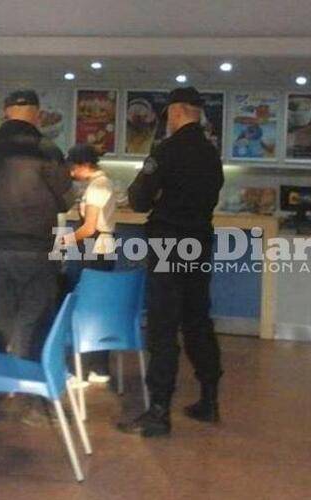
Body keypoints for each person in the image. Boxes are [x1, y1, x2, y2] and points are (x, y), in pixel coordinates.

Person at [118, 87, 224, 437]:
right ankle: (209, 399)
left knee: (163, 327)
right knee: (198, 322)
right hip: (199, 244)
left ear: (177, 112)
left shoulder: (165, 151)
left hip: (168, 246)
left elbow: (138, 200)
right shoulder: (211, 154)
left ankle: (159, 411)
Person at [0, 90, 73, 423]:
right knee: (35, 320)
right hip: (37, 249)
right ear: (37, 113)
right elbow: (65, 198)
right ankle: (33, 401)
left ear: (7, 112)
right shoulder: (47, 147)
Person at [64, 143, 117, 383]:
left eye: (74, 168)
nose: (72, 173)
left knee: (84, 308)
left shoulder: (97, 187)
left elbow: (88, 228)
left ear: (85, 165)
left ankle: (81, 371)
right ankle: (99, 368)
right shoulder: (103, 183)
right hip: (102, 249)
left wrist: (62, 243)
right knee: (99, 307)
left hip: (94, 249)